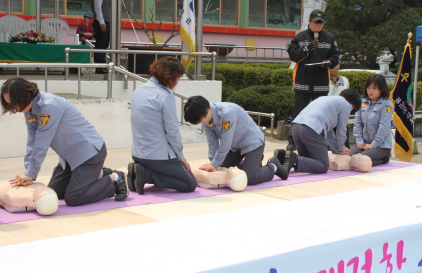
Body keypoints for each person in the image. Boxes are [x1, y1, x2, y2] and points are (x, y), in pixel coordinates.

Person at [0, 77, 128, 206]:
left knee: (74, 197)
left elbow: (42, 140)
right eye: (10, 105)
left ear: (25, 95)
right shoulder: (29, 110)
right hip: (69, 158)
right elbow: (32, 140)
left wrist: (31, 174)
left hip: (89, 154)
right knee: (53, 193)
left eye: (15, 103)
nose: (14, 108)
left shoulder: (49, 105)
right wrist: (28, 170)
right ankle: (99, 174)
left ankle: (115, 178)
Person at [127, 57, 197, 195]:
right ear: (170, 77)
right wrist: (180, 156)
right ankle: (146, 175)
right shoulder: (165, 96)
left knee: (177, 175)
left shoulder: (139, 90)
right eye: (177, 78)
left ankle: (141, 170)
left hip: (137, 153)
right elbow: (172, 131)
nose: (177, 82)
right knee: (189, 183)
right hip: (157, 157)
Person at [183, 96, 292, 184]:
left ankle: (273, 167)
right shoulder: (206, 120)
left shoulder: (227, 113)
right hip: (235, 146)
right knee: (222, 169)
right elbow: (212, 141)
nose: (201, 122)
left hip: (252, 143)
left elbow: (226, 141)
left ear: (206, 110)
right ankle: (253, 163)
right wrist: (213, 163)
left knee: (250, 178)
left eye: (199, 120)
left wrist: (215, 163)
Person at [286, 9, 340, 151]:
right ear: (309, 22)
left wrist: (329, 61)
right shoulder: (300, 37)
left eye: (320, 24)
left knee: (321, 113)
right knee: (299, 112)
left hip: (321, 82)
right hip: (302, 82)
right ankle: (293, 141)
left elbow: (335, 56)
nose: (318, 27)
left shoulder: (329, 38)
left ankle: (321, 140)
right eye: (315, 23)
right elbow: (293, 55)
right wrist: (306, 49)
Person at [274, 89, 361, 174]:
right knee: (323, 165)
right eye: (353, 109)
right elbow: (341, 130)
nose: (351, 110)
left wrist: (335, 149)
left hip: (296, 127)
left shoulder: (327, 100)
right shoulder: (346, 105)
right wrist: (341, 148)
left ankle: (283, 157)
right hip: (311, 129)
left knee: (307, 160)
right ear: (352, 104)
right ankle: (293, 158)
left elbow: (329, 132)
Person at [351, 74, 394, 166]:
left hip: (381, 146)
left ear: (381, 89)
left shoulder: (386, 105)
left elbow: (384, 127)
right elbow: (357, 123)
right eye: (368, 88)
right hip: (365, 145)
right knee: (348, 158)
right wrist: (360, 141)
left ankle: (383, 159)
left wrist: (373, 145)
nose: (370, 91)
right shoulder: (362, 101)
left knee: (359, 160)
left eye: (374, 88)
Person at [328, 61, 351, 148]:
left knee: (344, 141)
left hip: (341, 115)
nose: (332, 68)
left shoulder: (345, 80)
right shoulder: (322, 80)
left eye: (335, 65)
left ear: (339, 66)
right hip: (327, 116)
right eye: (330, 66)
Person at [91, 0, 111, 74]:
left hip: (107, 21)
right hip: (101, 22)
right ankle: (99, 66)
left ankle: (103, 64)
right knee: (100, 44)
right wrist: (101, 22)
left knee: (105, 43)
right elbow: (98, 8)